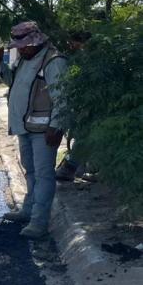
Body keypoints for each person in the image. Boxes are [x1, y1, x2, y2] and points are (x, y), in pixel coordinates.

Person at [0, 21, 68, 239]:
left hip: (44, 130)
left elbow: (63, 99)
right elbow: (10, 81)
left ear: (36, 42)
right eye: (19, 46)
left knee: (44, 175)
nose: (21, 49)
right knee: (31, 171)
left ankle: (39, 223)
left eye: (24, 45)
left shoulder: (53, 61)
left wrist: (56, 126)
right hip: (25, 127)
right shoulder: (26, 60)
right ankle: (28, 210)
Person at [55, 31, 92, 181]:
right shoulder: (78, 59)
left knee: (83, 137)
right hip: (81, 105)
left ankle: (70, 168)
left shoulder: (90, 60)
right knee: (81, 137)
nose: (71, 47)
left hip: (89, 106)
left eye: (74, 44)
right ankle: (76, 167)